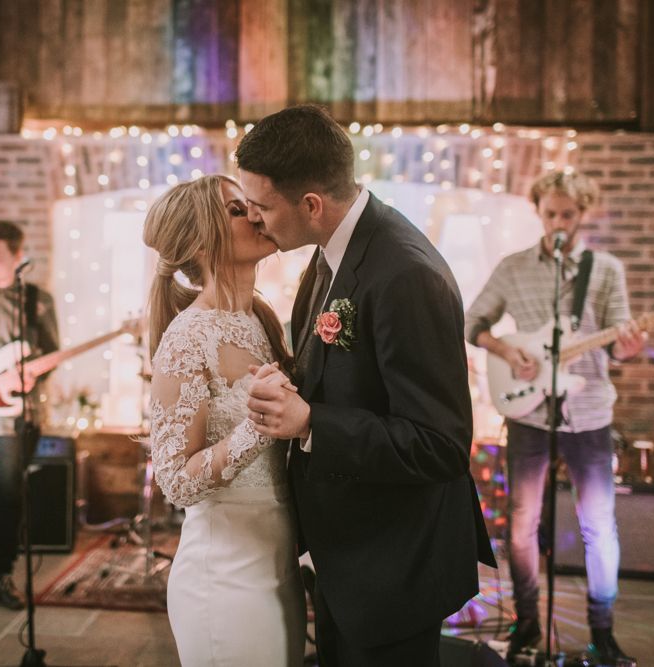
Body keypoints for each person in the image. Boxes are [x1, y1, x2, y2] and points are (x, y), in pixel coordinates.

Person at [238, 104, 496, 667]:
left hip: (393, 565)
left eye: (261, 206)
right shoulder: (333, 253)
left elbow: (441, 445)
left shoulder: (405, 274)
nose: (254, 219)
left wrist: (309, 422)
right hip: (348, 556)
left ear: (311, 204)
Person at [465, 170, 646, 665]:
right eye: (551, 214)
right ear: (539, 213)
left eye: (568, 214)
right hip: (528, 411)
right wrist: (508, 350)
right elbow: (473, 323)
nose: (559, 222)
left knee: (599, 526)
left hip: (588, 413)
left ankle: (602, 630)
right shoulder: (515, 267)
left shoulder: (605, 269)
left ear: (582, 214)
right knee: (522, 523)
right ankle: (527, 621)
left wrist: (629, 347)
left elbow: (621, 339)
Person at [144, 175, 306, 667]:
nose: (256, 213)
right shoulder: (188, 337)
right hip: (225, 577)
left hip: (279, 564)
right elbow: (175, 482)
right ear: (200, 240)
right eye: (238, 211)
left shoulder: (261, 319)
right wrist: (259, 425)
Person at [0, 220, 59, 610]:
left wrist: (34, 374)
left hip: (15, 416)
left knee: (8, 496)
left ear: (19, 257)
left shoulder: (37, 300)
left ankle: (2, 572)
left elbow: (51, 353)